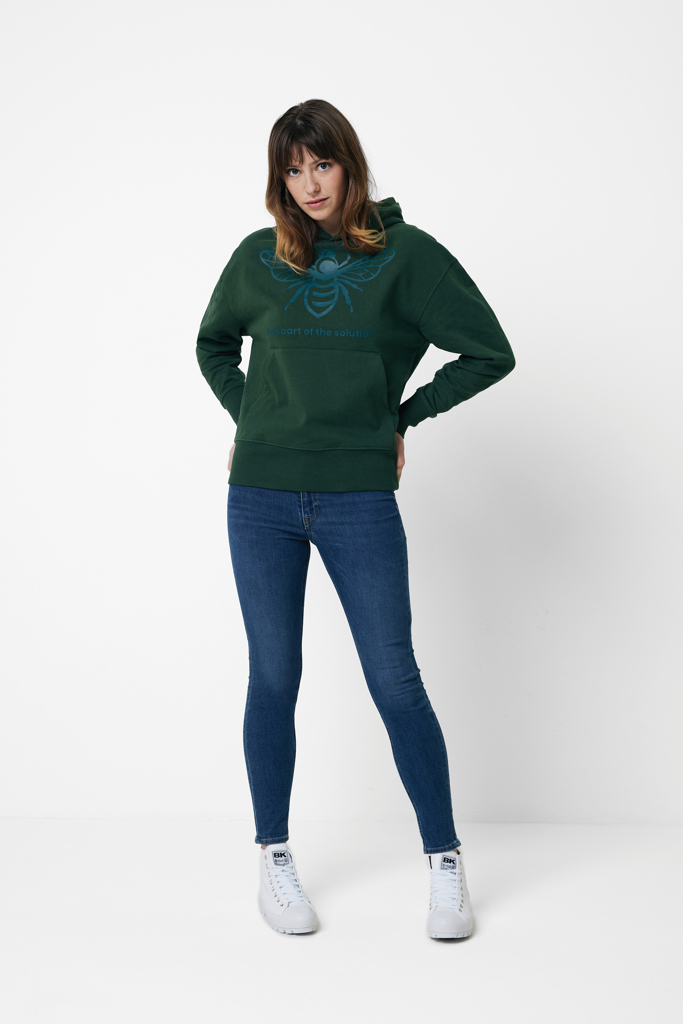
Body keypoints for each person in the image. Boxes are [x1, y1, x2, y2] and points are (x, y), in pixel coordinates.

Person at [196, 98, 515, 939]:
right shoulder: (259, 256)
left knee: (394, 679)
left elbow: (490, 351)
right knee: (273, 677)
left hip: (357, 497)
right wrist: (251, 416)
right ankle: (272, 856)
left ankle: (443, 861)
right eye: (292, 169)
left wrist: (402, 418)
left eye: (322, 164)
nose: (309, 184)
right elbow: (212, 343)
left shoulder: (407, 257)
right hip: (259, 497)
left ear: (350, 164)